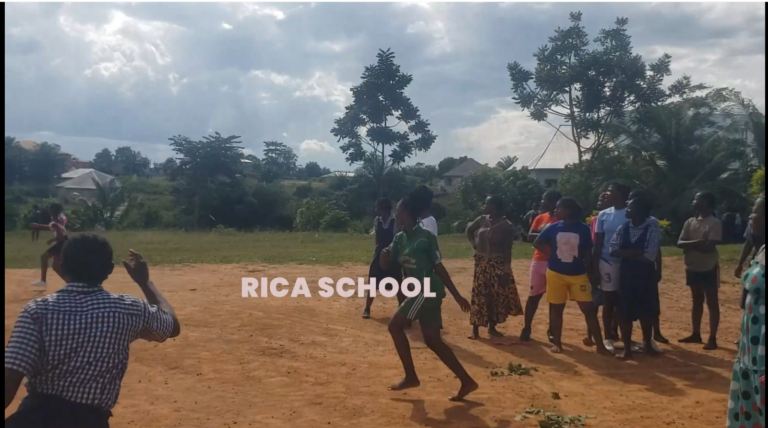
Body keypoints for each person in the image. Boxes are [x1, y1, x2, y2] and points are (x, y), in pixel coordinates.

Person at [4, 234, 181, 428]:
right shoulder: (129, 309)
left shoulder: (37, 311)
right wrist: (145, 282)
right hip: (90, 420)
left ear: (61, 266)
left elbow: (10, 378)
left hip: (35, 417)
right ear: (110, 270)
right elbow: (171, 326)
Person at [380, 191, 477, 401]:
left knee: (394, 326)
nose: (396, 215)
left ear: (407, 213)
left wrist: (457, 295)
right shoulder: (399, 238)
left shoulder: (426, 237)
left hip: (426, 289)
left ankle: (411, 376)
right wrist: (383, 255)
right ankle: (467, 381)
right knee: (433, 340)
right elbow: (386, 265)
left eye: (399, 211)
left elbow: (438, 267)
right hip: (418, 290)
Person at [532, 197, 611, 355]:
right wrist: (551, 254)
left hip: (577, 274)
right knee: (556, 309)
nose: (555, 211)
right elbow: (537, 242)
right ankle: (557, 343)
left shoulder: (583, 229)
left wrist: (591, 270)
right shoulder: (553, 227)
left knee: (588, 309)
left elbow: (587, 252)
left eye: (559, 208)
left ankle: (600, 345)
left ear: (568, 210)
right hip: (556, 273)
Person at [609, 196, 662, 360]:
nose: (627, 210)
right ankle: (627, 349)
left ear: (640, 211)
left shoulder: (652, 229)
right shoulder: (623, 227)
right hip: (628, 276)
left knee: (646, 313)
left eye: (630, 208)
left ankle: (647, 344)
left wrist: (626, 254)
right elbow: (612, 249)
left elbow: (649, 256)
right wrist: (637, 252)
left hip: (645, 277)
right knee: (624, 312)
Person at [465, 195, 523, 340]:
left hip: (497, 264)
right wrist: (475, 246)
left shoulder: (506, 226)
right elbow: (469, 230)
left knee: (495, 296)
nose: (484, 206)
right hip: (482, 264)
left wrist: (505, 271)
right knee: (479, 295)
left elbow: (507, 250)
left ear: (495, 207)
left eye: (487, 204)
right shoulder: (482, 220)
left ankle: (492, 327)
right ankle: (475, 329)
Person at [726, 245, 765, 428]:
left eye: (756, 214)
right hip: (751, 350)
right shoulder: (763, 249)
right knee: (751, 411)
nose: (751, 219)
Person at [678, 192, 722, 350]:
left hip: (708, 266)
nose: (694, 201)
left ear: (706, 202)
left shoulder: (715, 223)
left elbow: (709, 247)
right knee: (696, 300)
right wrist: (699, 242)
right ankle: (696, 333)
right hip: (693, 266)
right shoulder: (690, 222)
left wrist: (690, 245)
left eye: (697, 199)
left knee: (711, 302)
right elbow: (680, 243)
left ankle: (712, 337)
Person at [592, 183, 632, 352]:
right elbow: (599, 242)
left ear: (620, 194)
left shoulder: (631, 213)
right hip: (607, 262)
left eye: (611, 191)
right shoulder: (603, 215)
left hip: (628, 263)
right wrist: (594, 265)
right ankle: (607, 336)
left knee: (624, 301)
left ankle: (626, 337)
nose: (607, 193)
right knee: (608, 300)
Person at [628, 189, 668, 348]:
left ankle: (656, 332)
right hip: (630, 267)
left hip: (646, 265)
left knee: (651, 302)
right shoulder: (626, 221)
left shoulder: (652, 222)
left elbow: (656, 247)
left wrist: (658, 268)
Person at [520, 190, 561, 342]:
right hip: (539, 260)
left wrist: (543, 237)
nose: (541, 203)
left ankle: (552, 329)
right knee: (534, 296)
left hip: (556, 262)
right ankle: (526, 327)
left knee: (554, 298)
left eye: (544, 200)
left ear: (553, 202)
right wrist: (550, 237)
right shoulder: (540, 218)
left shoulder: (563, 219)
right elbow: (530, 236)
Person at [363, 198, 404, 319]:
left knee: (397, 284)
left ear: (384, 209)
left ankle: (402, 311)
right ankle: (367, 308)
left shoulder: (395, 221)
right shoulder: (377, 220)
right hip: (379, 254)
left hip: (392, 255)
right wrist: (377, 253)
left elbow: (397, 239)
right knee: (372, 282)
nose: (376, 210)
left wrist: (393, 255)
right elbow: (377, 238)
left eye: (378, 208)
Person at [29, 203, 68, 288]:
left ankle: (43, 281)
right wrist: (38, 226)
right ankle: (70, 283)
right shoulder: (60, 218)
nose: (48, 209)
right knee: (55, 266)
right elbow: (53, 227)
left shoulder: (54, 222)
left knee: (44, 258)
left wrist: (52, 240)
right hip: (64, 242)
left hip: (61, 243)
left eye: (49, 209)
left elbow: (60, 235)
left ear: (52, 211)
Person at [735, 194, 766, 280]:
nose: (750, 217)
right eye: (752, 212)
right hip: (756, 264)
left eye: (755, 213)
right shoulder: (752, 224)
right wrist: (740, 264)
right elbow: (749, 242)